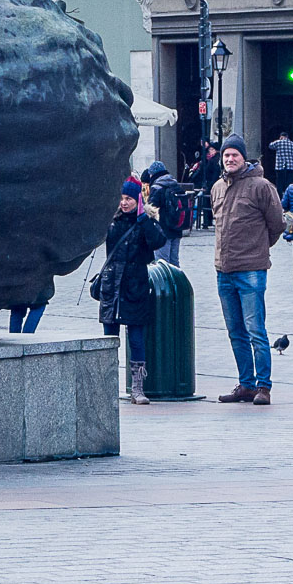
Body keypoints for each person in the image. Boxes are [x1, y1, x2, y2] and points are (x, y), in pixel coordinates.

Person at [212, 134, 285, 405]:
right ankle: (245, 383)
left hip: (251, 270)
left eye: (235, 155)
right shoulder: (217, 187)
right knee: (235, 331)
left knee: (255, 329)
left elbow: (277, 224)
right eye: (226, 155)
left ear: (244, 158)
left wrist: (259, 248)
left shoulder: (261, 186)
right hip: (224, 270)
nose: (230, 159)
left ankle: (263, 386)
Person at [98, 180, 168, 404]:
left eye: (128, 198)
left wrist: (144, 219)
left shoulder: (145, 222)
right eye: (122, 198)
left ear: (138, 199)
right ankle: (107, 386)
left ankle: (137, 388)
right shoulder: (111, 221)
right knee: (109, 338)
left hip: (135, 287)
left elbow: (158, 241)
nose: (124, 202)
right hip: (112, 287)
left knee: (136, 339)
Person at [140, 159, 185, 266]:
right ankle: (176, 282)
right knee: (174, 262)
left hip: (162, 230)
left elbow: (151, 210)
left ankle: (165, 283)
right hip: (177, 228)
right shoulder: (175, 184)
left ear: (153, 174)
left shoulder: (157, 187)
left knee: (162, 263)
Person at [188, 140, 220, 228]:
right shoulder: (209, 159)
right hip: (208, 183)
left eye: (212, 150)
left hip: (210, 183)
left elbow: (213, 173)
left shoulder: (215, 160)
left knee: (206, 201)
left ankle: (207, 221)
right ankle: (207, 221)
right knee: (205, 201)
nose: (210, 152)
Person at [268, 130, 293, 194]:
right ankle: (288, 195)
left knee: (279, 182)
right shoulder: (292, 144)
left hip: (280, 166)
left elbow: (270, 146)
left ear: (281, 136)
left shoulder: (278, 142)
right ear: (287, 137)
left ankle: (280, 197)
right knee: (289, 183)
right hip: (290, 166)